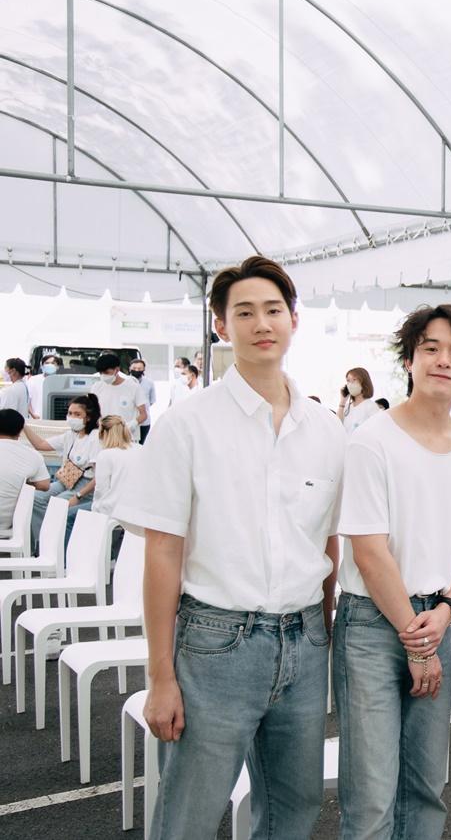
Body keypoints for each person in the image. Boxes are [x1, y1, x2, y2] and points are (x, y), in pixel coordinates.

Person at [113, 256, 345, 838]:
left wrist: (321, 629)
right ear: (222, 326)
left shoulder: (327, 430)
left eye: (273, 310)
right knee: (189, 816)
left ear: (294, 320)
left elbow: (328, 543)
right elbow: (162, 552)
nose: (261, 323)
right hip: (216, 643)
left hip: (305, 638)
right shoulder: (187, 424)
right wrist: (161, 676)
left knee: (294, 811)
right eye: (244, 313)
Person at [333, 304, 451, 839]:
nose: (444, 361)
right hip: (373, 625)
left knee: (426, 787)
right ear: (408, 360)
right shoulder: (372, 441)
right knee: (372, 797)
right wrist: (417, 640)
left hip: (436, 619)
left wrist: (447, 610)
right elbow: (368, 551)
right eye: (431, 348)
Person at [24, 395, 104, 550]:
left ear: (88, 417)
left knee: (58, 503)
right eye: (70, 413)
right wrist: (24, 426)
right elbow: (41, 444)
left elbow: (99, 477)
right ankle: (41, 541)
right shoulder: (70, 435)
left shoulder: (96, 438)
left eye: (77, 414)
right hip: (66, 480)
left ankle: (54, 546)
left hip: (86, 486)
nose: (72, 417)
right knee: (36, 498)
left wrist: (78, 496)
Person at [0, 409, 50, 537]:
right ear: (21, 430)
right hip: (7, 527)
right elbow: (44, 485)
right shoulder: (33, 455)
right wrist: (21, 482)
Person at [90, 353, 148, 440]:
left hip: (127, 438)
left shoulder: (133, 387)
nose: (103, 376)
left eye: (106, 372)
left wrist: (131, 425)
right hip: (105, 437)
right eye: (101, 373)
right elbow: (92, 411)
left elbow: (143, 414)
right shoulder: (96, 387)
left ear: (117, 370)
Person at [91, 415, 137, 521]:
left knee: (72, 517)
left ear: (104, 433)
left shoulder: (105, 455)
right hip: (137, 513)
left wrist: (94, 513)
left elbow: (101, 491)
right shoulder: (141, 449)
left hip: (112, 514)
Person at [337, 366, 379, 435]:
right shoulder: (346, 407)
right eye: (348, 380)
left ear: (364, 382)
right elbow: (336, 425)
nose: (350, 384)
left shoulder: (371, 406)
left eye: (354, 380)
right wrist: (342, 402)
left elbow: (376, 431)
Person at [128, 359, 157, 443]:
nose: (137, 370)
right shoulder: (125, 381)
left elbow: (152, 401)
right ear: (130, 368)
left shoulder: (149, 383)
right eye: (134, 368)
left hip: (144, 422)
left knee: (140, 445)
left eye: (139, 368)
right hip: (129, 421)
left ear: (144, 369)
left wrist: (142, 408)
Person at [27, 355, 63, 420]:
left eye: (53, 363)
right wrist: (33, 414)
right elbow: (27, 400)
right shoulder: (33, 380)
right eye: (47, 363)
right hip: (37, 419)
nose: (50, 365)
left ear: (58, 366)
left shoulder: (61, 381)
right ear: (42, 366)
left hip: (56, 419)